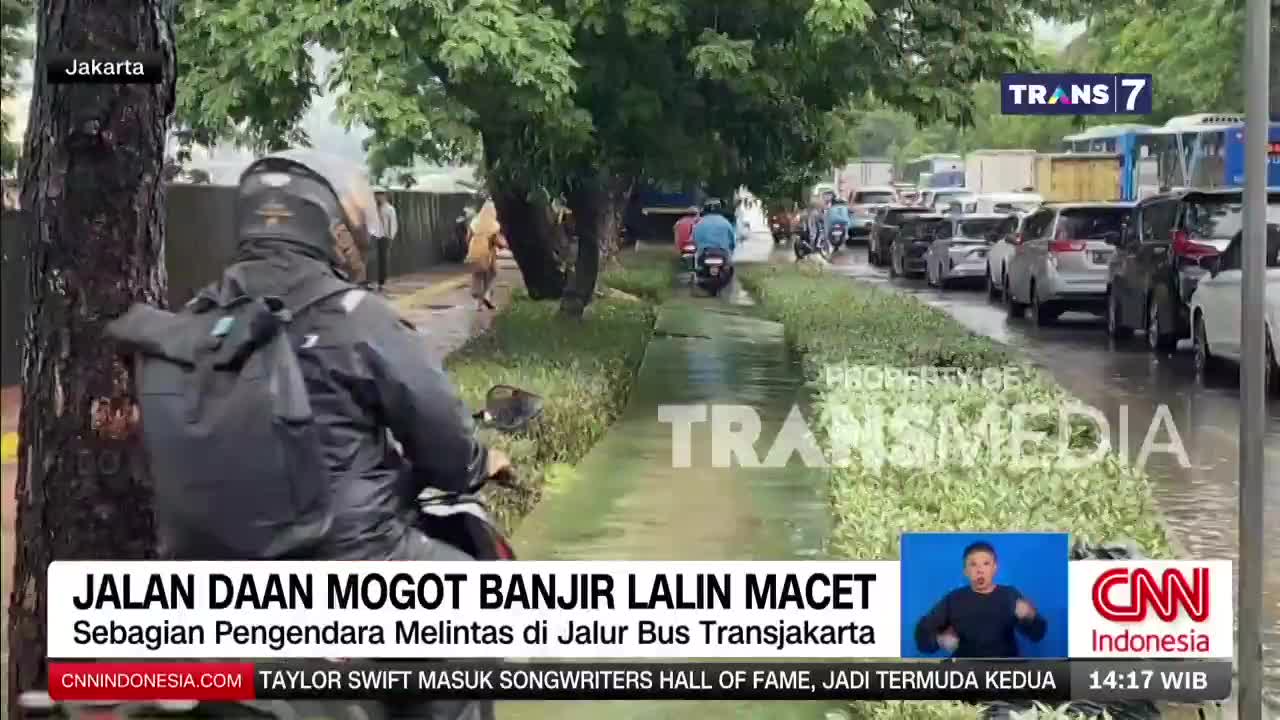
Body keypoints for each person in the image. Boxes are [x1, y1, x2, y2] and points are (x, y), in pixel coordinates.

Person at [107, 150, 503, 719]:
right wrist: (476, 464)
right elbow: (445, 445)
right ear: (329, 227)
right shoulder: (357, 316)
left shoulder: (193, 321)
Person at [914, 541, 1047, 658]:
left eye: (986, 564)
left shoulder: (1010, 595)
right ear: (966, 571)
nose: (980, 570)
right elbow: (922, 634)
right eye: (973, 565)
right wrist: (940, 640)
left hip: (1005, 671)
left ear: (995, 568)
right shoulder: (953, 599)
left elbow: (1037, 635)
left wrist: (1030, 616)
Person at [467, 199, 507, 311]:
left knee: (477, 276)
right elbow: (498, 242)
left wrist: (471, 248)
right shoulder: (494, 225)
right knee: (492, 274)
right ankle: (486, 295)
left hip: (474, 253)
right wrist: (503, 245)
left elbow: (467, 237)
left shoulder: (474, 222)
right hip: (488, 254)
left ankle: (478, 303)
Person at [692, 197, 736, 266]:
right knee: (729, 268)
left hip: (704, 253)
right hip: (722, 254)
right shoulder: (726, 222)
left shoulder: (699, 223)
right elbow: (732, 241)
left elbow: (694, 240)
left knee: (698, 268)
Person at [373, 188, 398, 291]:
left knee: (383, 259)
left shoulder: (389, 209)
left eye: (378, 195)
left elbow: (393, 223)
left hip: (385, 237)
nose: (376, 197)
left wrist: (390, 236)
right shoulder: (377, 208)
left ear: (383, 196)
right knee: (379, 259)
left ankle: (382, 282)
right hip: (377, 236)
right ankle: (380, 281)